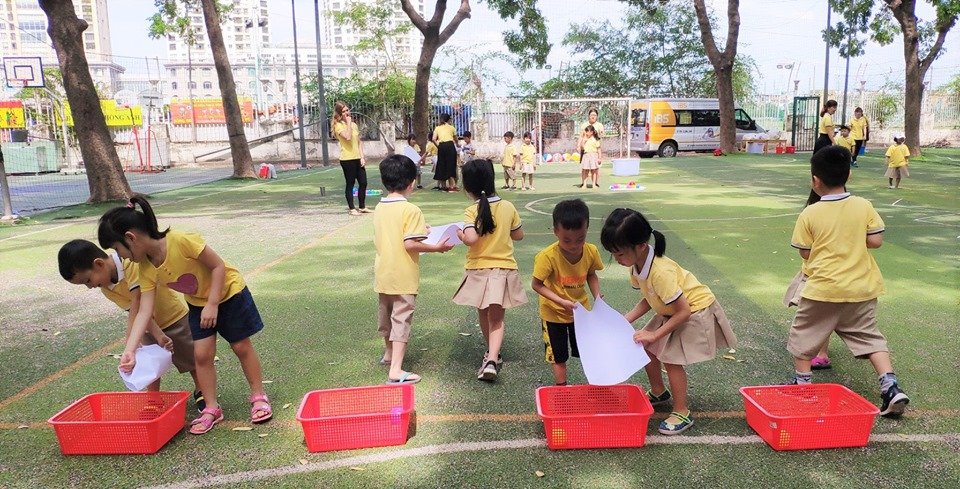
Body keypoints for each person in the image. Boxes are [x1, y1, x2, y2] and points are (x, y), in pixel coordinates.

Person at [97, 196, 272, 435]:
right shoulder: (144, 268)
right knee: (201, 355)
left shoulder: (180, 240)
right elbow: (144, 311)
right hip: (199, 303)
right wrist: (130, 349)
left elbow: (218, 266)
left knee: (240, 346)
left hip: (229, 293)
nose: (121, 256)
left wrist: (213, 304)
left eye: (117, 249)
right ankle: (212, 408)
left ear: (131, 237)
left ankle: (258, 396)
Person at [787, 145, 909, 417]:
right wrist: (852, 239)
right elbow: (875, 240)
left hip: (823, 289)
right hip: (861, 287)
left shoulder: (810, 213)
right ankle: (890, 386)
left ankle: (803, 387)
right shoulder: (863, 205)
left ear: (815, 180)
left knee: (803, 337)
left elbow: (805, 252)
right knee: (870, 338)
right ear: (848, 176)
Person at [601, 208, 737, 435]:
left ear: (641, 245)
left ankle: (682, 411)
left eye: (620, 253)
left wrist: (655, 334)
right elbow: (649, 297)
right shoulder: (636, 265)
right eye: (613, 254)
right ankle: (659, 392)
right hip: (670, 309)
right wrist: (626, 320)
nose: (617, 259)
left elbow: (684, 311)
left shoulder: (660, 272)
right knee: (646, 348)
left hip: (694, 310)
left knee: (671, 359)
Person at [58, 239, 203, 407]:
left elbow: (138, 301)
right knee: (149, 363)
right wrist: (157, 334)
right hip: (146, 327)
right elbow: (135, 312)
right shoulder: (106, 289)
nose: (90, 287)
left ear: (99, 264)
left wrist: (130, 344)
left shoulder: (130, 263)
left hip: (173, 316)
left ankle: (201, 389)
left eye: (88, 280)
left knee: (190, 357)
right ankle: (153, 398)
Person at [374, 155, 455, 384]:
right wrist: (436, 248)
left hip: (383, 272)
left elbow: (398, 233)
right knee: (401, 319)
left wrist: (422, 231)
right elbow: (409, 244)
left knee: (386, 316)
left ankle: (389, 354)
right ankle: (396, 370)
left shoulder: (380, 207)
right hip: (403, 274)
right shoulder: (411, 210)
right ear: (411, 183)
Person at [454, 159, 528, 381]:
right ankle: (493, 358)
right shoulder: (508, 207)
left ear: (468, 187)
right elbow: (519, 235)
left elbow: (471, 239)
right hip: (503, 269)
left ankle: (491, 355)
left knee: (483, 314)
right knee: (497, 319)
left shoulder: (471, 210)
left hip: (478, 270)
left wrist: (460, 234)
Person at [531, 199, 603, 386]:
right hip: (553, 314)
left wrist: (597, 295)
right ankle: (562, 389)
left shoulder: (591, 251)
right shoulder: (547, 257)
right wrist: (561, 301)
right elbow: (536, 284)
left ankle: (596, 385)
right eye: (567, 240)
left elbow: (591, 274)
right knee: (559, 356)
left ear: (587, 229)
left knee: (588, 351)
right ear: (556, 231)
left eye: (580, 239)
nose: (574, 245)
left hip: (581, 313)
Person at [332, 101, 370, 216]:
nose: (347, 113)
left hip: (357, 157)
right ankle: (352, 208)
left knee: (363, 182)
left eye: (347, 110)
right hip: (347, 159)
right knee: (350, 183)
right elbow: (348, 137)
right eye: (343, 111)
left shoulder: (354, 125)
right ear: (339, 114)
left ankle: (362, 206)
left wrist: (362, 157)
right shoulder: (338, 126)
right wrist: (348, 123)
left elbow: (358, 142)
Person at [433, 113, 459, 192]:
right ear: (448, 120)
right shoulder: (451, 127)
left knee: (441, 165)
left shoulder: (437, 128)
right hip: (450, 146)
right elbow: (455, 138)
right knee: (451, 165)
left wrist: (439, 146)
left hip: (441, 146)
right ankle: (452, 186)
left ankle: (443, 186)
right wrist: (457, 144)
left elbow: (433, 139)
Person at [578, 108, 604, 185]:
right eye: (592, 115)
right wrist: (578, 145)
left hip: (594, 150)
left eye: (595, 115)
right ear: (589, 116)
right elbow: (581, 136)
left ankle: (595, 183)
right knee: (584, 167)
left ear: (597, 116)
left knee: (595, 168)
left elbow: (601, 136)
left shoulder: (599, 125)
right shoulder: (584, 125)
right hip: (585, 150)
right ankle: (583, 183)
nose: (593, 116)